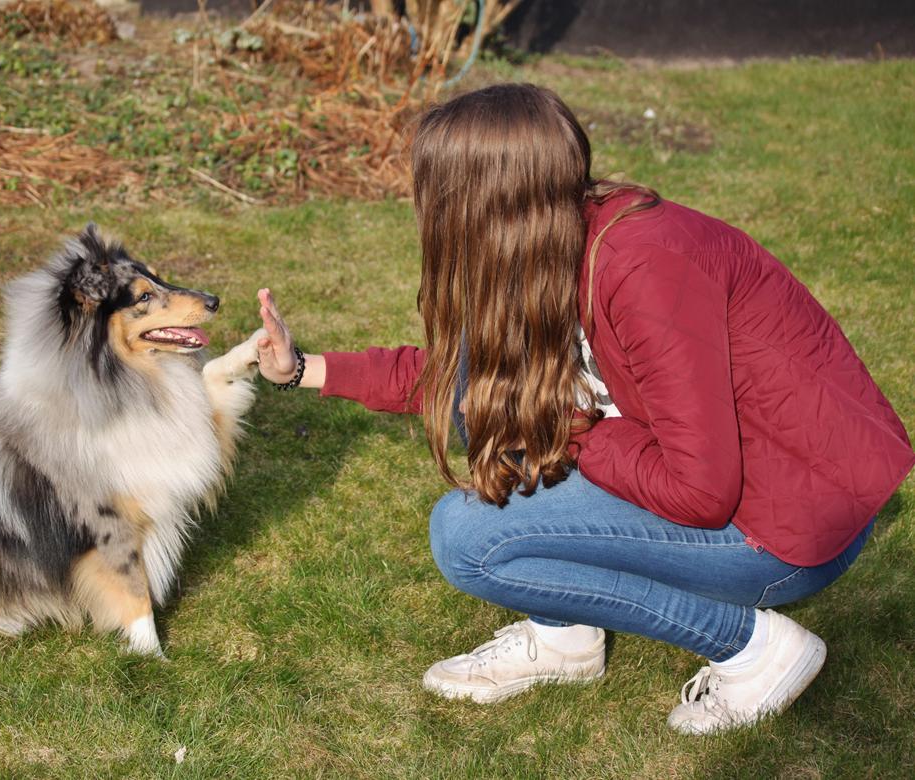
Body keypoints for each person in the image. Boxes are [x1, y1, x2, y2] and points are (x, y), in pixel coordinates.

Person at [251, 83, 913, 734]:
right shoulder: (550, 244)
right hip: (725, 480)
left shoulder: (643, 265)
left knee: (469, 539)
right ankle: (563, 638)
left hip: (779, 527)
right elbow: (457, 374)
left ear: (485, 200)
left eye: (435, 191)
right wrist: (302, 369)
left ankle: (753, 648)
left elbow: (702, 491)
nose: (424, 210)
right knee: (487, 394)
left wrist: (579, 437)